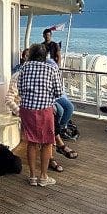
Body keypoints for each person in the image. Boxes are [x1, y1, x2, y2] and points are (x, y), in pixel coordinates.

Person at [17, 42, 64, 187]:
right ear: (45, 56)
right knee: (47, 142)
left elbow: (19, 88)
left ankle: (32, 176)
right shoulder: (51, 68)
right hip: (44, 109)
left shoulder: (24, 67)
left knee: (31, 142)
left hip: (27, 109)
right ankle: (43, 176)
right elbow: (59, 92)